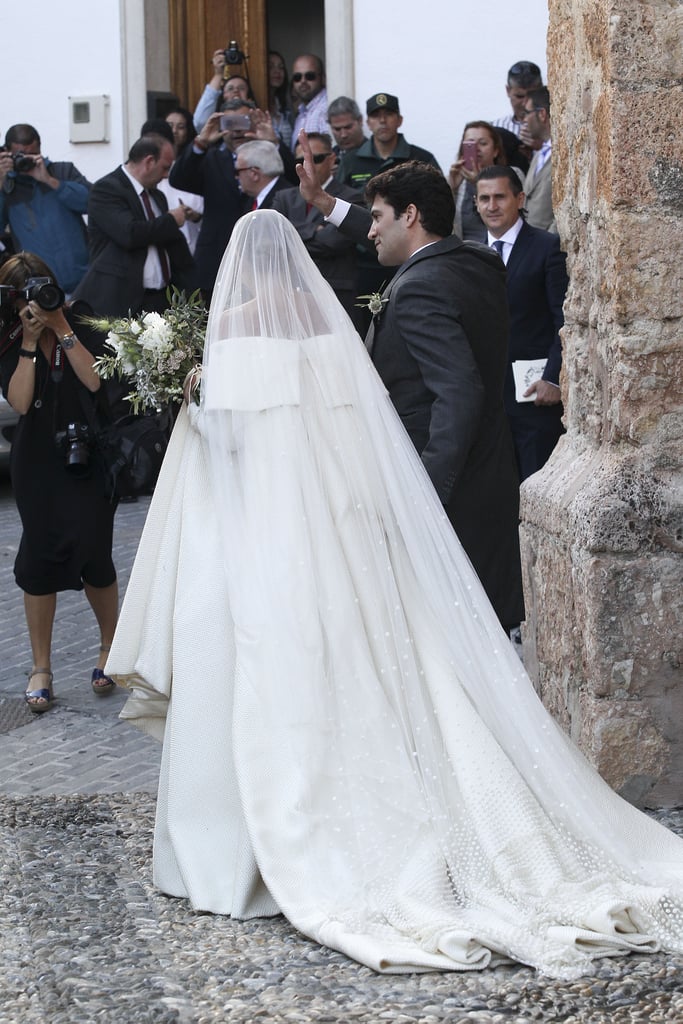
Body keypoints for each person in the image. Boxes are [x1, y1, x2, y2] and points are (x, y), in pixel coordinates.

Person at [107, 210, 683, 979]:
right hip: (340, 528)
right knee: (378, 664)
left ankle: (243, 846)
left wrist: (194, 399)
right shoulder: (329, 327)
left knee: (263, 665)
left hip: (264, 535)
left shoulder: (232, 333)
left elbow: (230, 448)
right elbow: (357, 433)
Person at [298, 138, 523, 631]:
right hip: (489, 474)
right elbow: (393, 233)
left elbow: (458, 392)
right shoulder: (473, 263)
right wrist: (324, 203)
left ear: (412, 215)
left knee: (453, 642)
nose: (371, 230)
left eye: (377, 218)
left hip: (451, 492)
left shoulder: (420, 285)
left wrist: (424, 492)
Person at [0, 252, 119, 712]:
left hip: (89, 456)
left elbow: (95, 383)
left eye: (43, 291)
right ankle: (41, 666)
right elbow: (21, 400)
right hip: (37, 464)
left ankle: (111, 648)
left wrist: (62, 328)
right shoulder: (10, 340)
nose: (37, 304)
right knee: (38, 560)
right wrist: (30, 340)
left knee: (96, 553)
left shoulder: (83, 321)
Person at [476, 166, 568, 480]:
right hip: (486, 401)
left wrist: (553, 378)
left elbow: (564, 318)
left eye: (500, 197)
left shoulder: (547, 247)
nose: (492, 206)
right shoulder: (468, 254)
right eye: (484, 198)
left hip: (534, 397)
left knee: (534, 481)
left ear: (519, 198)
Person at [169, 100, 296, 301]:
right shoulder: (211, 159)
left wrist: (274, 144)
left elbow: (293, 182)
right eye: (229, 123)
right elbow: (178, 179)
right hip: (216, 261)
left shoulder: (271, 155)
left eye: (242, 122)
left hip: (263, 269)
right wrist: (201, 142)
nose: (236, 131)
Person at [74, 134, 197, 317]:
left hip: (163, 299)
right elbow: (129, 234)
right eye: (165, 168)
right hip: (124, 301)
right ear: (148, 161)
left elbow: (167, 241)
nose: (166, 176)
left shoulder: (157, 196)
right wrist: (171, 220)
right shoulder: (106, 189)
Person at [272, 132, 363, 323]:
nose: (308, 165)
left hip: (335, 293)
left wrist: (291, 233)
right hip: (291, 295)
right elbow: (274, 242)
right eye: (300, 160)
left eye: (316, 159)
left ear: (331, 160)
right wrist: (315, 230)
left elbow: (332, 242)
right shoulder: (284, 198)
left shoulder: (351, 197)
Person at [0, 123, 91, 295]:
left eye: (32, 154)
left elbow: (91, 204)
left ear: (40, 150)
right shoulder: (6, 186)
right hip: (38, 288)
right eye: (20, 155)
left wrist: (50, 180)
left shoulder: (63, 171)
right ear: (6, 152)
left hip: (83, 283)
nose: (26, 160)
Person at [336, 93, 441, 191]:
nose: (382, 120)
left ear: (399, 120)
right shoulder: (349, 162)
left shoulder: (422, 160)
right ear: (368, 123)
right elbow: (337, 202)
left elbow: (440, 199)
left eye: (389, 114)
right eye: (376, 115)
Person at [448, 121, 508, 242]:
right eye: (470, 144)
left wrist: (478, 183)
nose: (477, 149)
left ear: (496, 150)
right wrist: (450, 189)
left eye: (483, 143)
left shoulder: (511, 175)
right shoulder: (456, 179)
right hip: (463, 254)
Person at [158, 108, 204, 256]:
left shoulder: (197, 165)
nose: (174, 131)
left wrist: (195, 216)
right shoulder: (153, 166)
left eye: (180, 126)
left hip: (193, 245)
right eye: (170, 125)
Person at [193, 49, 254, 133]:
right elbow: (200, 123)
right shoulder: (217, 123)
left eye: (241, 88)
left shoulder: (258, 121)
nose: (236, 91)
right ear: (223, 97)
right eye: (230, 88)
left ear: (249, 98)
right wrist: (218, 74)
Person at [521, 87, 556, 233]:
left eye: (527, 113)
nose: (524, 119)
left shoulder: (562, 155)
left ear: (542, 114)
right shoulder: (539, 154)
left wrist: (549, 241)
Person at [233, 140, 294, 210]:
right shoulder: (247, 200)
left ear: (254, 174)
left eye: (237, 172)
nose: (236, 177)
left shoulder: (289, 200)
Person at [491, 60, 543, 138]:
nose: (526, 103)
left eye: (531, 96)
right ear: (508, 90)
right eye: (520, 96)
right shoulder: (494, 130)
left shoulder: (556, 127)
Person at [290, 54, 330, 145]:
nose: (303, 81)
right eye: (297, 77)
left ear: (322, 78)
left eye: (310, 76)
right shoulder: (302, 113)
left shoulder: (326, 109)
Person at [267, 50, 293, 148]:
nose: (277, 71)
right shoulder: (255, 105)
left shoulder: (284, 106)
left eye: (281, 67)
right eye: (270, 67)